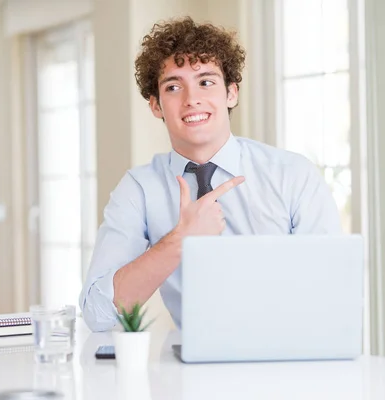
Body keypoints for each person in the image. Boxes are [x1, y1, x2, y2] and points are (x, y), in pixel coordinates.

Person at [80, 17, 341, 332]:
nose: (192, 100)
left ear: (231, 93)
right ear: (156, 106)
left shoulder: (293, 175)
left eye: (206, 82)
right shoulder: (139, 189)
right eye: (174, 87)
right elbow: (97, 313)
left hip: (288, 362)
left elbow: (330, 293)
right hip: (189, 371)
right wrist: (179, 240)